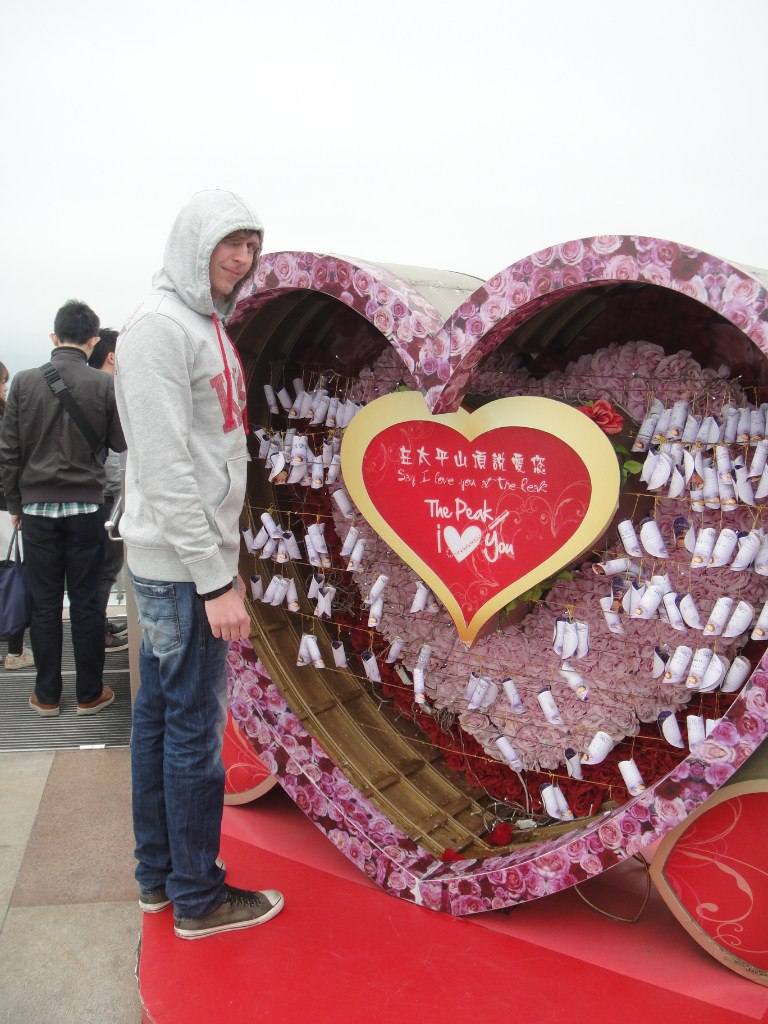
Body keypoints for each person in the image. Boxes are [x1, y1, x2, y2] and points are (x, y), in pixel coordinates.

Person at [115, 189, 284, 940]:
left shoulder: (206, 324)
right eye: (228, 243)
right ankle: (198, 897)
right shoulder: (160, 329)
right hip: (180, 568)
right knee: (190, 732)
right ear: (193, 243)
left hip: (189, 560)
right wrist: (215, 577)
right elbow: (165, 466)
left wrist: (223, 560)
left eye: (250, 244)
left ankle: (160, 881)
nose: (241, 258)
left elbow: (213, 447)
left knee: (158, 719)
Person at [0, 301, 126, 716]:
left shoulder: (22, 382)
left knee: (45, 601)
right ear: (93, 341)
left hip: (36, 511)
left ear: (54, 338)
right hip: (87, 508)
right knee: (88, 600)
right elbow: (121, 443)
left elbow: (9, 451)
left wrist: (16, 503)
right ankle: (89, 693)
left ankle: (47, 695)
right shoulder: (102, 385)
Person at [88, 329, 128, 653]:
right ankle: (99, 633)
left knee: (97, 571)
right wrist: (120, 493)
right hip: (107, 496)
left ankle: (98, 626)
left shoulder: (84, 388)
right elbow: (114, 454)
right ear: (112, 356)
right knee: (105, 570)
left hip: (86, 495)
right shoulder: (107, 390)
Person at [0, 361, 34, 670]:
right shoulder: (5, 420)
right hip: (3, 510)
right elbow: (10, 460)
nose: (5, 387)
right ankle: (14, 651)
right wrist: (16, 505)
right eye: (2, 382)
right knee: (11, 574)